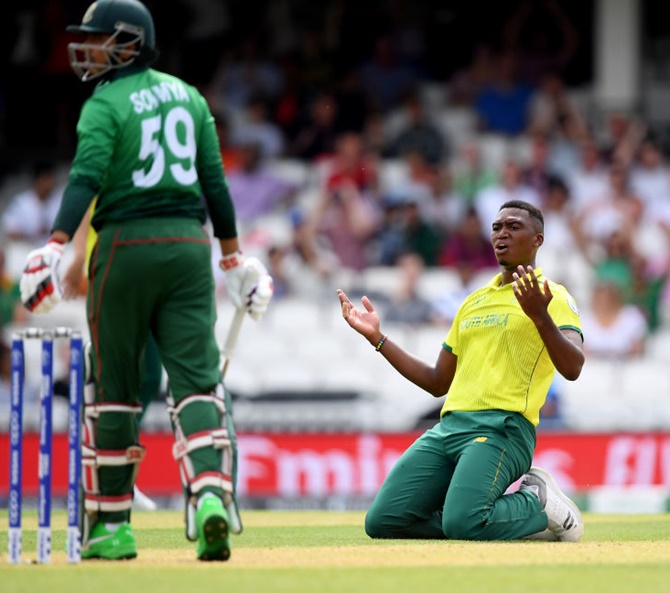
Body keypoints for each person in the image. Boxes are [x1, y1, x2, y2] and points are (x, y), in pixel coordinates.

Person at [18, 0, 273, 562]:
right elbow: (217, 188)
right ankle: (209, 493)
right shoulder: (190, 96)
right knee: (198, 382)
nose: (87, 49)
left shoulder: (105, 101)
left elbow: (86, 178)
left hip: (125, 245)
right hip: (188, 246)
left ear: (130, 41)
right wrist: (231, 261)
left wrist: (56, 245)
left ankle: (112, 526)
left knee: (115, 390)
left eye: (99, 38)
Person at [338, 199, 585, 542]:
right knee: (383, 521)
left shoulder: (552, 296)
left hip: (504, 428)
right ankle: (482, 520)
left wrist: (539, 316)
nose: (502, 233)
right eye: (497, 227)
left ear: (538, 240)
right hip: (450, 427)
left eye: (514, 227)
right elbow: (437, 381)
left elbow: (574, 366)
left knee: (463, 523)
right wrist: (378, 339)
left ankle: (539, 504)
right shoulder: (473, 301)